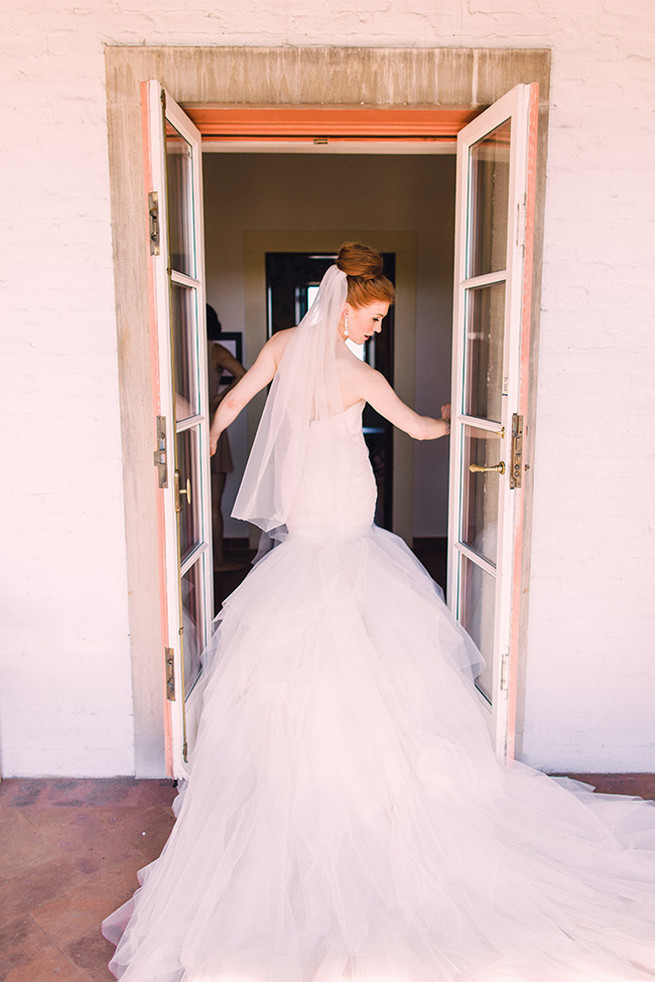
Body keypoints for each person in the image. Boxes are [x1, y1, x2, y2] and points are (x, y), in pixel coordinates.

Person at [103, 244, 655, 981]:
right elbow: (418, 434)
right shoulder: (358, 372)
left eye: (381, 316)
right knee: (358, 609)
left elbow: (233, 405)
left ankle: (301, 762)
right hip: (345, 505)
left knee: (300, 608)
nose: (375, 326)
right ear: (346, 306)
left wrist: (198, 448)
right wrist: (458, 420)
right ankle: (363, 763)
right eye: (373, 314)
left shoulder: (280, 345)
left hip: (304, 502)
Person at [206, 304, 248, 572]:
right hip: (207, 424)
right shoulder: (213, 351)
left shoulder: (207, 349)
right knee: (211, 502)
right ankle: (216, 561)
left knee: (203, 502)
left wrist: (217, 401)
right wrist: (217, 401)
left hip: (207, 425)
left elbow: (243, 377)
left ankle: (216, 561)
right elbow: (244, 376)